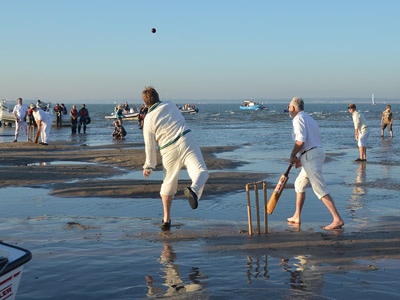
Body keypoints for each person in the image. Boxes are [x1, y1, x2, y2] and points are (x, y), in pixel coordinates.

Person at [141, 87, 209, 230]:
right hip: (186, 139)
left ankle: (166, 219)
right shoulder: (170, 104)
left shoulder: (148, 119)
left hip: (168, 149)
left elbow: (150, 145)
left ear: (145, 102)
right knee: (201, 171)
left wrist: (149, 166)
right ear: (157, 96)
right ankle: (194, 190)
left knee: (168, 185)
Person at [286, 97, 344, 231]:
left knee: (319, 187)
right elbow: (309, 141)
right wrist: (301, 157)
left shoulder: (297, 118)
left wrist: (293, 155)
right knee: (299, 184)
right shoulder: (308, 118)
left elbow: (300, 140)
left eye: (289, 107)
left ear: (293, 108)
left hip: (312, 155)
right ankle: (297, 216)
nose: (288, 109)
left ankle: (337, 219)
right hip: (311, 154)